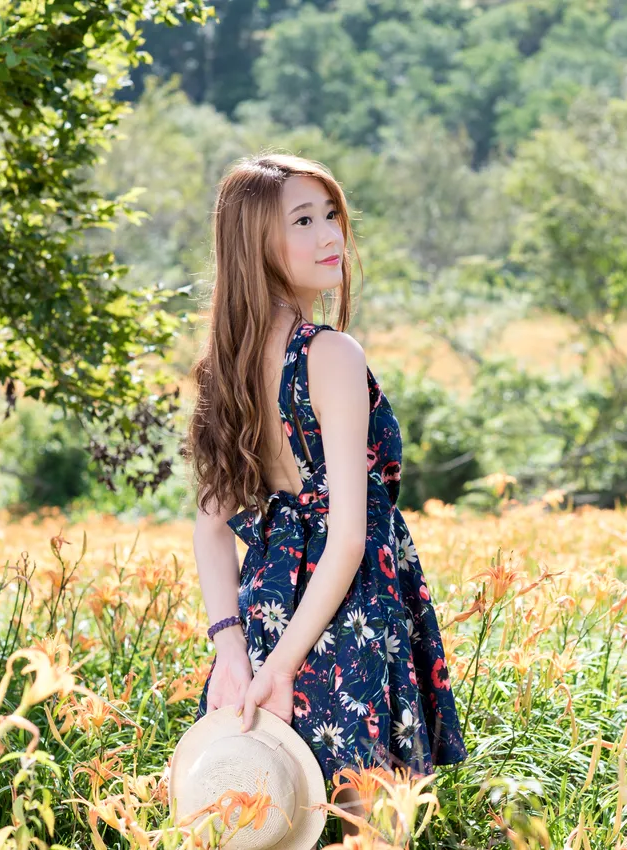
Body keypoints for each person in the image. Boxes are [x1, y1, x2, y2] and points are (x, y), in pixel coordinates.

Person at [181, 152, 469, 838]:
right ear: (256, 244)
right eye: (303, 221)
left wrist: (235, 653)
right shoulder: (329, 354)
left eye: (331, 214)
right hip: (348, 610)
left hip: (267, 612)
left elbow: (211, 527)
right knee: (365, 824)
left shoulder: (230, 365)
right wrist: (278, 670)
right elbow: (347, 536)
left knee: (265, 819)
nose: (330, 235)